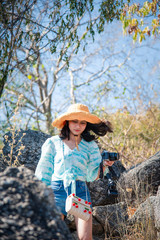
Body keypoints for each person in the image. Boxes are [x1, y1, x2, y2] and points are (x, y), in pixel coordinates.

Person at [35, 103, 114, 240]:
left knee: (85, 238)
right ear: (67, 122)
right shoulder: (53, 142)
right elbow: (43, 172)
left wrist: (104, 165)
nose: (78, 126)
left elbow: (91, 176)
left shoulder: (90, 146)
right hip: (56, 190)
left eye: (82, 123)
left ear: (86, 125)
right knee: (53, 234)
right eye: (75, 121)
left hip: (81, 190)